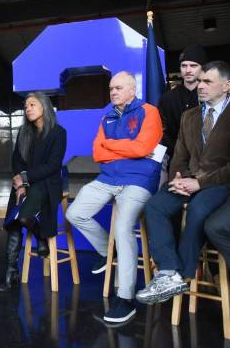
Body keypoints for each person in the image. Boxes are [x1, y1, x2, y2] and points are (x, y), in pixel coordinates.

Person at [66, 71, 163, 323]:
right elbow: (96, 153)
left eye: (119, 88)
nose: (113, 92)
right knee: (74, 213)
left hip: (139, 181)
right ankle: (107, 250)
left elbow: (143, 148)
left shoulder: (148, 112)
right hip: (107, 179)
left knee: (122, 229)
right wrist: (123, 148)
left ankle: (126, 299)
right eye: (111, 89)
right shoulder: (107, 116)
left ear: (133, 90)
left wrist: (111, 145)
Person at [136, 61, 230, 304]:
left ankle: (182, 273)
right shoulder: (188, 116)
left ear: (227, 86)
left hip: (220, 183)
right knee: (154, 206)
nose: (200, 86)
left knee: (199, 210)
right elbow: (179, 155)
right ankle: (168, 271)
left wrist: (200, 184)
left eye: (207, 81)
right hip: (188, 181)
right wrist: (178, 178)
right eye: (200, 81)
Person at [0, 92, 67, 292]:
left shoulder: (58, 132)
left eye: (32, 104)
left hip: (46, 183)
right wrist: (20, 184)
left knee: (24, 216)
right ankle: (11, 272)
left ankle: (40, 237)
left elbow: (53, 166)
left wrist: (25, 178)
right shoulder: (24, 132)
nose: (28, 108)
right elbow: (16, 160)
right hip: (24, 184)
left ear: (44, 106)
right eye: (26, 106)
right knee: (12, 222)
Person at [158, 45, 207, 168]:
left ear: (202, 68)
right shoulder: (167, 99)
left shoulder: (211, 95)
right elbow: (163, 132)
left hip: (208, 160)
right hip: (176, 160)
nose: (188, 70)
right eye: (184, 66)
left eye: (193, 65)